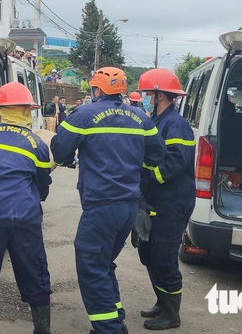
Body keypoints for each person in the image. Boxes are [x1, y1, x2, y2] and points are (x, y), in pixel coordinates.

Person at [50, 67, 166, 334]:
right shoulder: (141, 117)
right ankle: (115, 318)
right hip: (128, 207)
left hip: (101, 205)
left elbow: (61, 151)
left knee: (91, 265)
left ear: (97, 90)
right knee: (103, 264)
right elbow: (156, 155)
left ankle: (109, 328)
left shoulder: (84, 114)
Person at [0, 82, 52, 334]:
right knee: (34, 272)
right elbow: (43, 186)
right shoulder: (37, 144)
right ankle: (42, 330)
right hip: (25, 217)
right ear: (27, 111)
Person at [137, 68, 196, 331]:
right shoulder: (157, 119)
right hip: (157, 201)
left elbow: (176, 161)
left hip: (172, 203)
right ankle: (163, 301)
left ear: (160, 94)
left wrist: (149, 176)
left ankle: (172, 314)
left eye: (149, 93)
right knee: (149, 253)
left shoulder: (176, 124)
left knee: (163, 257)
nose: (147, 97)